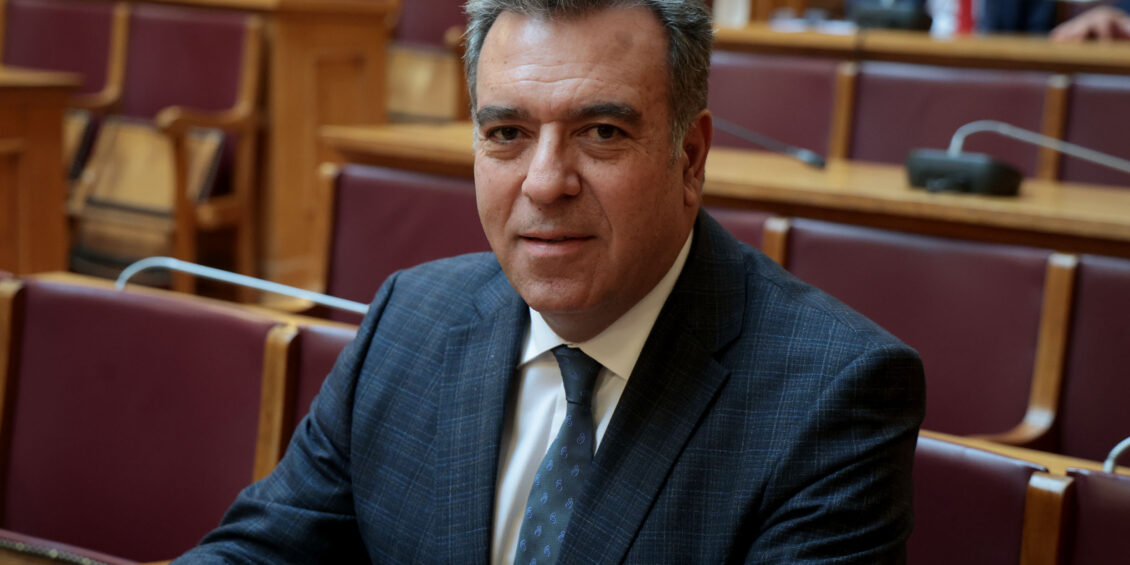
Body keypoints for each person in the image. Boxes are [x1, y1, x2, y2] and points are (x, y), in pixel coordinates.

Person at [173, 0, 925, 563]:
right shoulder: (409, 318)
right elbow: (262, 551)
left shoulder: (831, 397)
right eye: (508, 133)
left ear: (690, 159)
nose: (544, 182)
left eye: (602, 133)